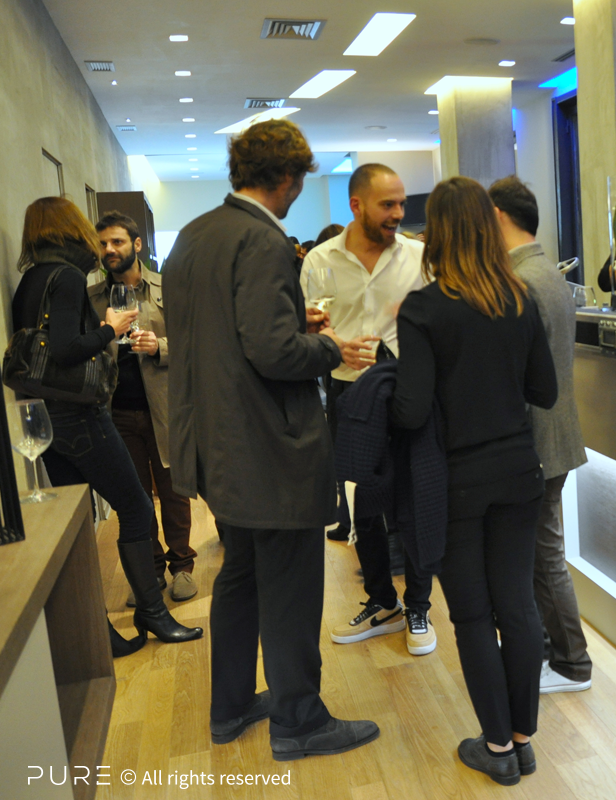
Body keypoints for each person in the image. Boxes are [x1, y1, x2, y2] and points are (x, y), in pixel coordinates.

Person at [163, 119, 378, 760]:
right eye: (299, 180)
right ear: (286, 177)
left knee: (241, 576)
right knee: (290, 587)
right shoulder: (262, 240)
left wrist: (290, 320)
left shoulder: (195, 234)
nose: (297, 191)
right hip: (267, 446)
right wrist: (329, 345)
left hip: (215, 443)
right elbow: (274, 352)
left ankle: (230, 707)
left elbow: (220, 332)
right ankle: (299, 722)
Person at [390, 176, 557, 786]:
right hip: (519, 473)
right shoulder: (519, 299)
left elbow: (411, 411)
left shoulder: (423, 309)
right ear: (488, 229)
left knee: (471, 615)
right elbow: (545, 391)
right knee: (517, 604)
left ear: (436, 234)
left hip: (456, 481)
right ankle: (522, 740)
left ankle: (496, 746)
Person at [11, 197, 202, 652]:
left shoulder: (29, 281)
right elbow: (65, 351)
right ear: (69, 227)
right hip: (79, 415)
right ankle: (153, 613)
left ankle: (96, 632)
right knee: (136, 506)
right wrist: (110, 330)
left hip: (46, 417)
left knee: (78, 522)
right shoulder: (68, 277)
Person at [302, 163, 436, 656]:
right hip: (348, 395)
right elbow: (306, 330)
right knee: (361, 505)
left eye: (401, 203)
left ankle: (418, 605)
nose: (399, 213)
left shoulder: (419, 258)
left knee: (416, 500)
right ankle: (382, 601)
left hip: (408, 395)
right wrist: (328, 339)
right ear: (356, 205)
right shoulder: (320, 261)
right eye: (388, 205)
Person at [488, 176, 591, 694]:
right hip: (552, 435)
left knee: (543, 555)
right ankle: (552, 652)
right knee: (538, 553)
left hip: (538, 439)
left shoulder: (523, 280)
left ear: (498, 218)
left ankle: (572, 662)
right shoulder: (542, 270)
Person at [89, 211, 197, 606]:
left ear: (136, 244)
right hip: (115, 410)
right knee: (134, 495)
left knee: (174, 489)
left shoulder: (169, 288)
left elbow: (197, 343)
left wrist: (159, 347)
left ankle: (182, 566)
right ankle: (150, 571)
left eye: (117, 241)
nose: (109, 249)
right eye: (103, 243)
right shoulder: (92, 298)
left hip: (165, 407)